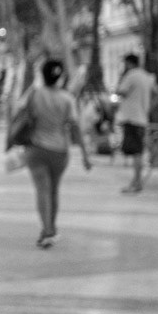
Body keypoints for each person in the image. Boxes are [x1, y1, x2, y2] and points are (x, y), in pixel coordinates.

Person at [22, 60, 92, 248]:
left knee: (42, 190)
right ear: (60, 77)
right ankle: (51, 227)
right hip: (59, 150)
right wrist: (85, 154)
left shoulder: (34, 95)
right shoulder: (67, 98)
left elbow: (21, 116)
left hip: (35, 148)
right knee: (53, 190)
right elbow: (75, 128)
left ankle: (46, 230)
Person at [115, 53, 156, 193]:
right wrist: (148, 107)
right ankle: (136, 181)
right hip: (142, 117)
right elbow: (157, 92)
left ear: (128, 63)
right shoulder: (146, 76)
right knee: (138, 151)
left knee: (136, 152)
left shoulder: (131, 75)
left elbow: (120, 91)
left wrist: (121, 76)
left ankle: (137, 182)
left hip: (131, 117)